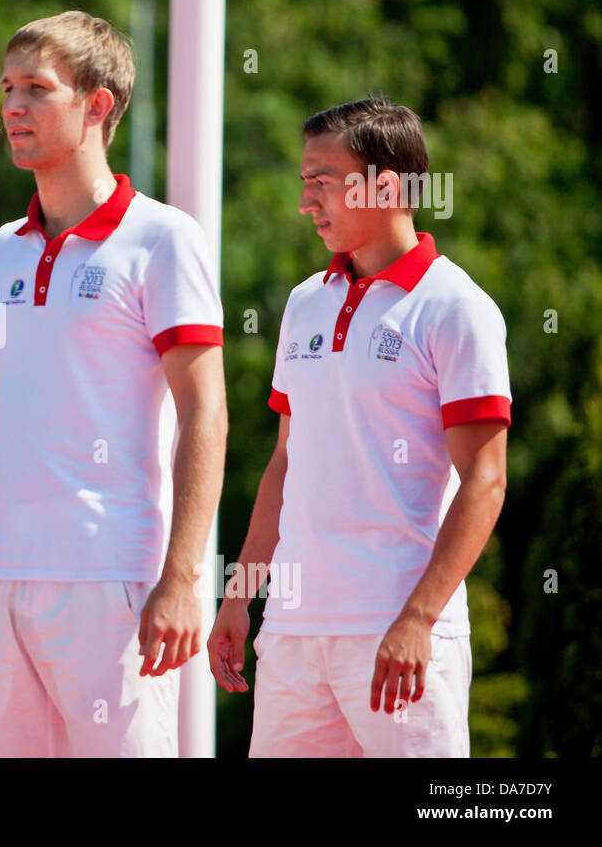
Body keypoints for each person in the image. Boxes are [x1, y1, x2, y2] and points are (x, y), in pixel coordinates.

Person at [0, 10, 229, 757]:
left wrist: (183, 578)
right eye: (7, 87)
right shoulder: (5, 249)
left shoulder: (164, 237)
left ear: (99, 105)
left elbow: (206, 413)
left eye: (36, 89)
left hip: (111, 577)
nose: (11, 106)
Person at [206, 97, 511, 757]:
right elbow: (287, 464)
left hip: (396, 632)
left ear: (388, 184)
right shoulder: (305, 301)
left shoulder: (457, 308)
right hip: (293, 632)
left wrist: (418, 619)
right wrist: (241, 596)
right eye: (303, 182)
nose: (305, 201)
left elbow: (486, 481)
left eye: (322, 181)